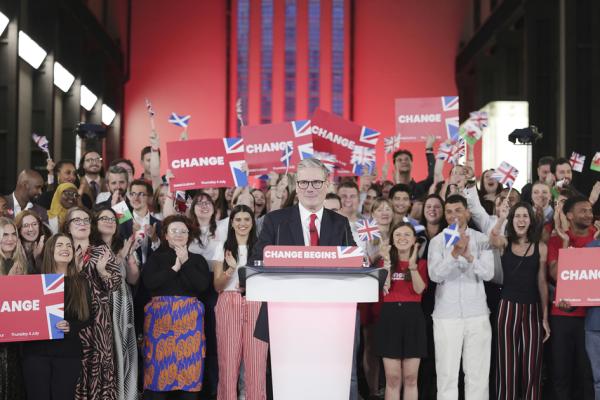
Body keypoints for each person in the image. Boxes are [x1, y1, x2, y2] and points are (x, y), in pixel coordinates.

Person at [249, 158, 357, 398]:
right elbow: (256, 261)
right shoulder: (275, 221)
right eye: (304, 182)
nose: (310, 187)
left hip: (330, 320)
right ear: (296, 186)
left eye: (316, 182)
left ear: (327, 184)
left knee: (324, 386)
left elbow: (354, 262)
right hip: (283, 320)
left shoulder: (340, 223)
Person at [427, 194, 494, 400]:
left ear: (467, 211)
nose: (454, 215)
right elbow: (435, 275)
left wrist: (469, 256)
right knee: (447, 375)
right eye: (449, 211)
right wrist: (454, 253)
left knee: (478, 375)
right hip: (446, 316)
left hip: (477, 315)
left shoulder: (482, 240)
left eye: (458, 210)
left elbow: (489, 273)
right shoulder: (438, 241)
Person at [141, 215, 211, 398]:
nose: (179, 234)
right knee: (157, 381)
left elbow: (202, 286)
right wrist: (175, 268)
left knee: (188, 382)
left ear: (189, 235)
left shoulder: (197, 260)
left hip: (189, 327)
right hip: (160, 324)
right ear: (166, 235)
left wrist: (186, 262)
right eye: (174, 231)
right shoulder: (156, 258)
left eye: (183, 231)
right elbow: (149, 283)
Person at [489, 201, 550, 399]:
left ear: (531, 221)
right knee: (506, 366)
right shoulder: (505, 242)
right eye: (517, 216)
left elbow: (542, 282)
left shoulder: (540, 247)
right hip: (507, 309)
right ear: (512, 220)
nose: (521, 220)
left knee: (533, 367)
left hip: (533, 310)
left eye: (525, 216)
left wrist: (545, 318)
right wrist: (501, 218)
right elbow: (492, 239)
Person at [21, 234, 92, 400]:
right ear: (50, 250)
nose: (65, 248)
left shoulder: (81, 282)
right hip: (36, 354)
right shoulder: (34, 280)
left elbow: (88, 317)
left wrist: (71, 326)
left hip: (68, 354)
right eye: (60, 245)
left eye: (69, 245)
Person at [64, 207, 122, 400]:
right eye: (77, 220)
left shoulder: (102, 251)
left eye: (86, 220)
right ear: (68, 227)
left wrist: (102, 271)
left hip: (98, 322)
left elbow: (115, 285)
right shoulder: (63, 251)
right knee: (74, 370)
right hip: (71, 320)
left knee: (98, 367)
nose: (82, 223)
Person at [213, 205, 268, 400]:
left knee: (256, 363)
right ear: (232, 223)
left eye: (246, 219)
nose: (242, 223)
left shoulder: (262, 248)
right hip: (229, 301)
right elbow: (217, 285)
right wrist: (231, 269)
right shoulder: (223, 247)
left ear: (253, 223)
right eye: (238, 220)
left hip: (256, 302)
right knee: (228, 361)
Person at [547, 196, 596, 400]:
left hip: (591, 318)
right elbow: (555, 274)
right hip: (563, 315)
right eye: (583, 211)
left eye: (590, 211)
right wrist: (566, 244)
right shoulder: (557, 239)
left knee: (588, 374)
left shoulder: (598, 237)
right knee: (561, 374)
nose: (589, 215)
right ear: (569, 215)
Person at [91, 207, 139, 400]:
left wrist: (128, 258)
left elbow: (133, 280)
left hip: (124, 305)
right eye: (104, 218)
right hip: (103, 307)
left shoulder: (121, 246)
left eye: (112, 219)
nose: (109, 221)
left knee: (125, 353)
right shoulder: (90, 248)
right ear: (95, 222)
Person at [377, 222, 428, 400]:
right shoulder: (384, 263)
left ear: (414, 240)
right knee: (392, 378)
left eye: (407, 235)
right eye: (398, 235)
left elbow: (420, 289)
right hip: (390, 318)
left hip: (413, 318)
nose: (402, 238)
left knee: (411, 378)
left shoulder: (421, 264)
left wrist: (412, 267)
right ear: (392, 239)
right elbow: (385, 288)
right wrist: (387, 263)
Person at [188, 192, 222, 397]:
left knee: (213, 341)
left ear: (215, 208)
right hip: (192, 289)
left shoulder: (224, 228)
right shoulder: (186, 230)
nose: (203, 206)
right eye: (199, 203)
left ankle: (212, 390)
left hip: (215, 288)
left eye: (208, 202)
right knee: (194, 340)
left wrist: (242, 179)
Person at [0, 217, 28, 400]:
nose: (10, 239)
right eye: (4, 234)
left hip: (19, 341)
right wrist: (9, 282)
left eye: (13, 234)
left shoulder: (23, 263)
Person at [391, 135, 436, 200]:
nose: (403, 162)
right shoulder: (389, 189)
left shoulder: (421, 187)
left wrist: (429, 149)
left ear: (412, 163)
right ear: (394, 165)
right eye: (399, 160)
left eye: (406, 159)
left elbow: (433, 176)